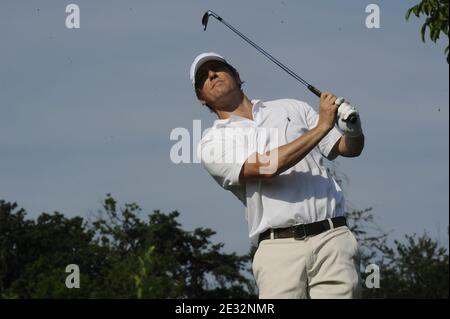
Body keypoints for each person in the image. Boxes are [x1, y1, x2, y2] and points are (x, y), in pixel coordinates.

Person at [190, 52, 365, 299]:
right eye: (202, 77)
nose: (211, 74)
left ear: (237, 76)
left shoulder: (291, 107)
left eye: (218, 68)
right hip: (277, 249)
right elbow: (266, 167)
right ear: (200, 97)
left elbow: (347, 149)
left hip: (332, 238)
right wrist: (323, 126)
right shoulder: (212, 142)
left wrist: (353, 129)